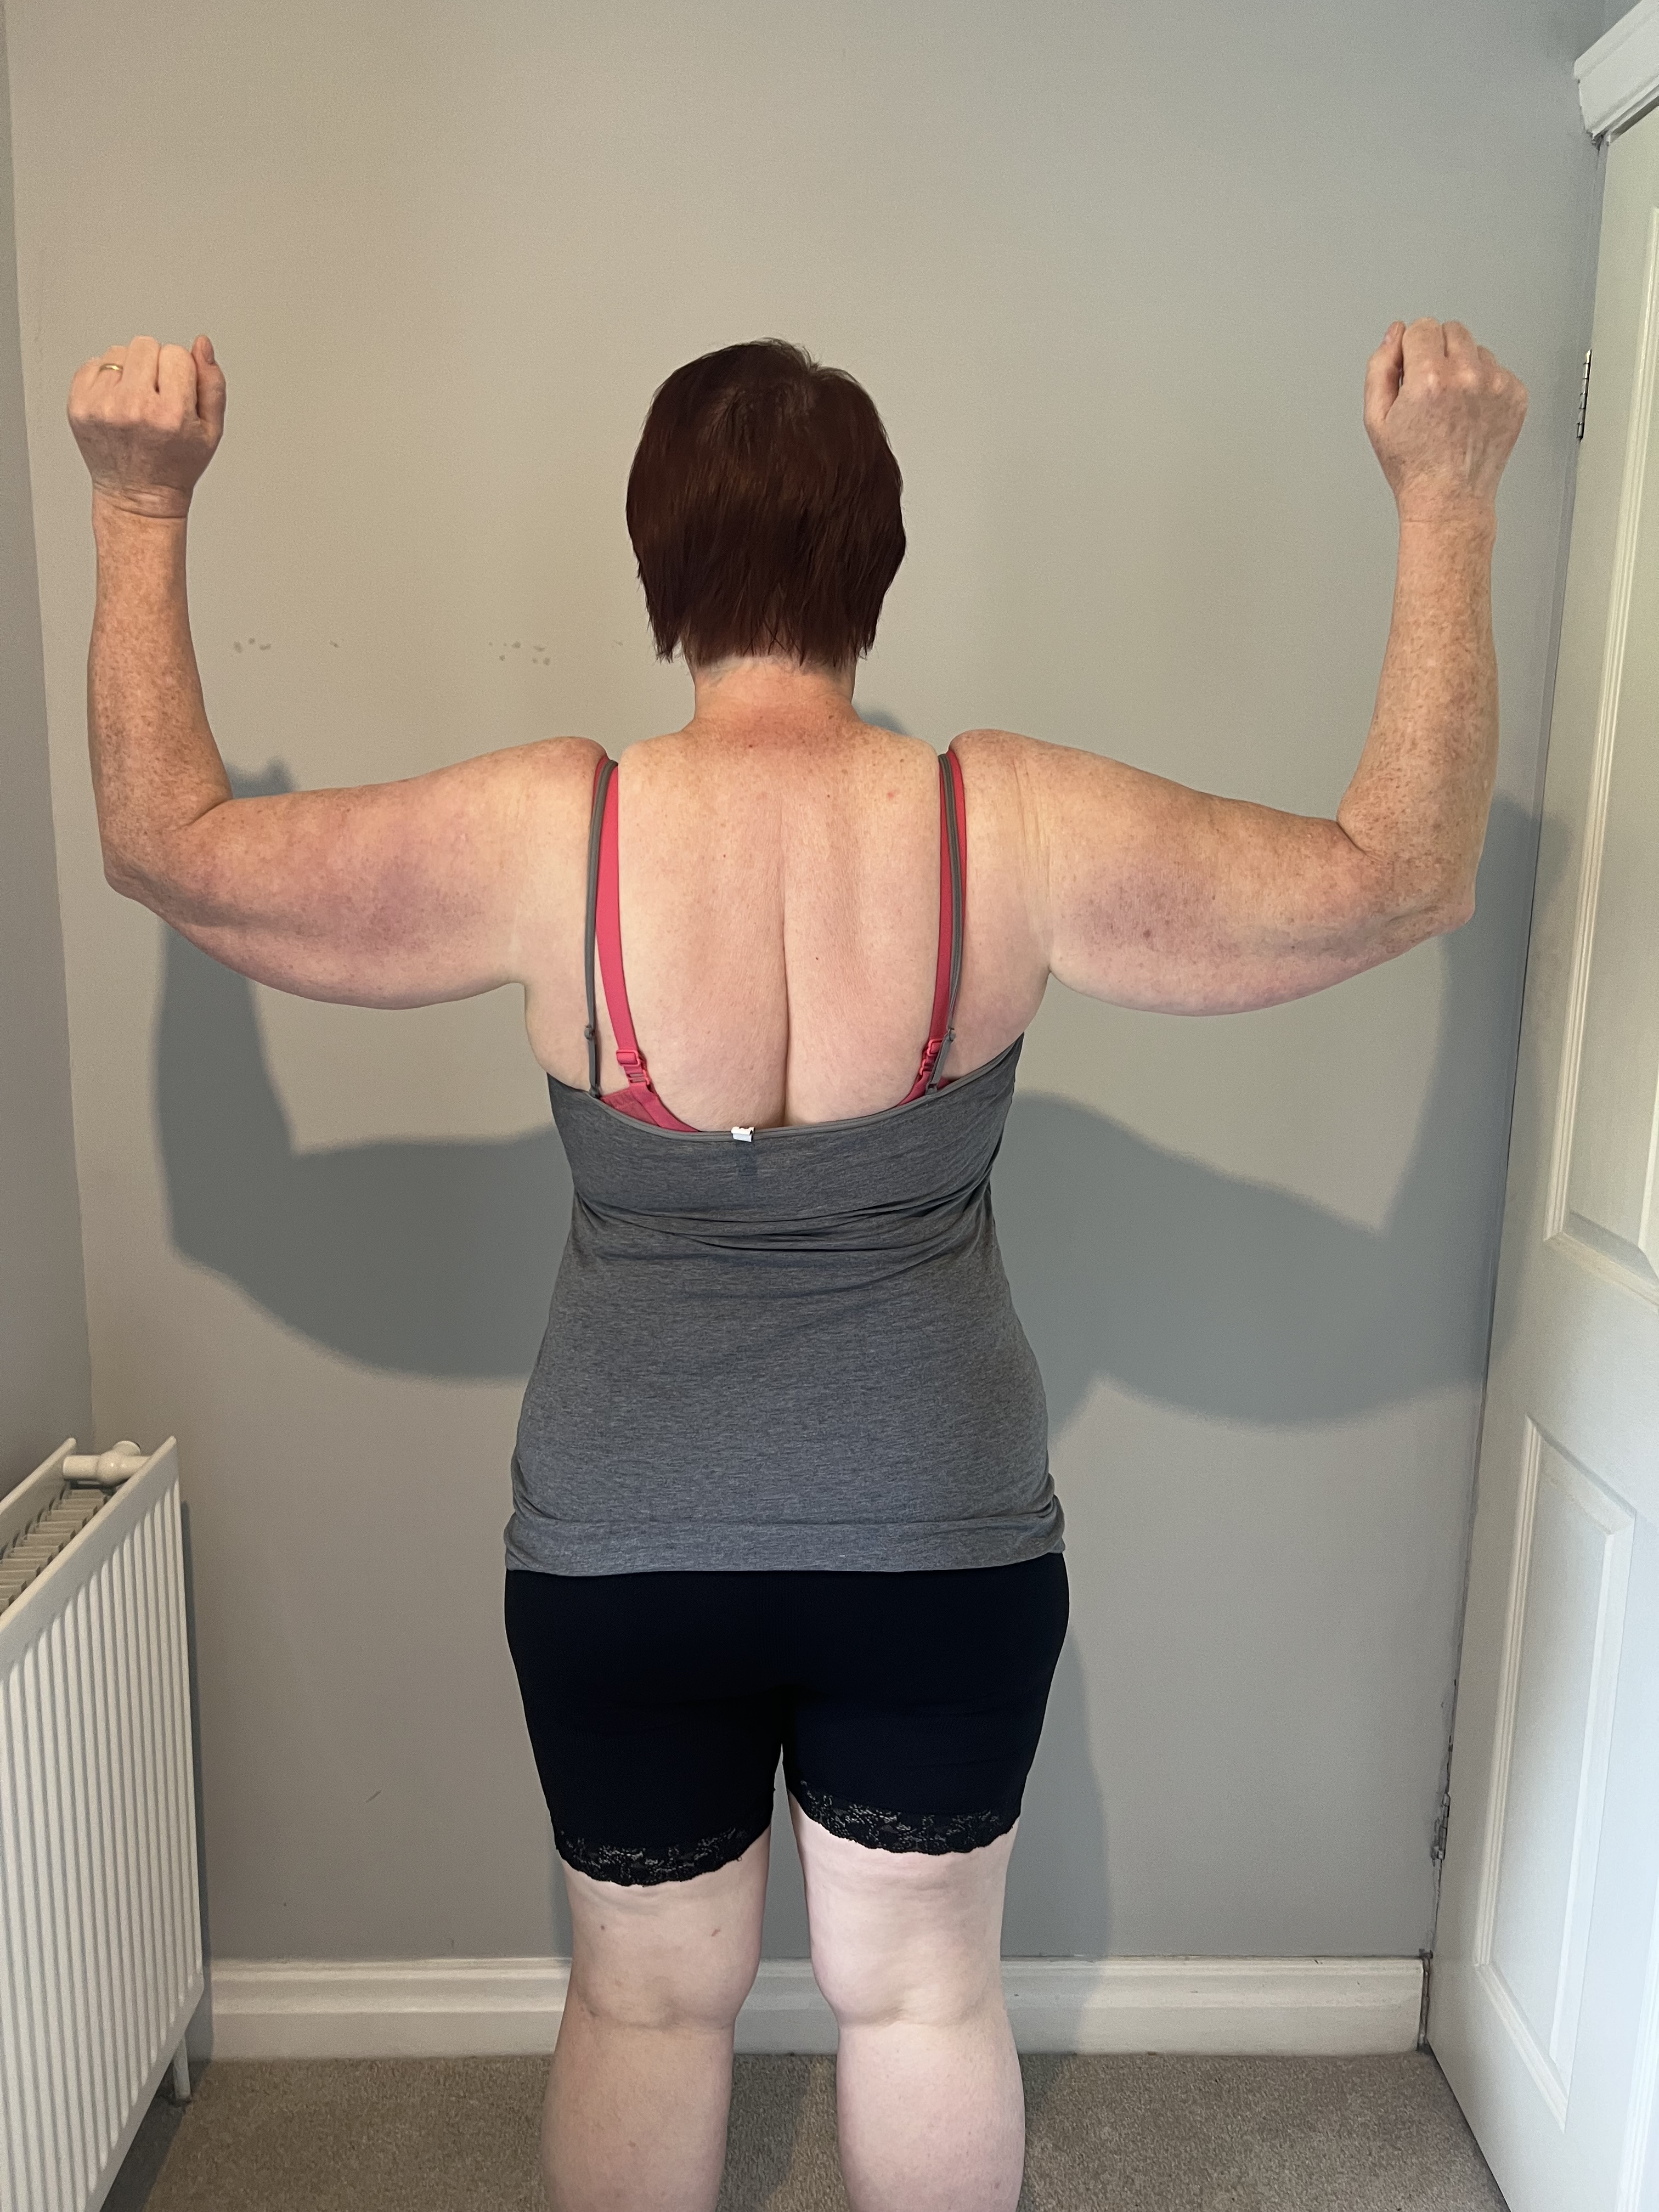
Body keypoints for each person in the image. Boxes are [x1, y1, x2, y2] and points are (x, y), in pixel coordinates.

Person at [67, 321, 1525, 2212]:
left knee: (644, 2002)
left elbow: (166, 845)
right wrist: (1447, 499)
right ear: (878, 564)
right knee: (922, 1999)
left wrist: (140, 506)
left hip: (624, 1548)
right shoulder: (1008, 821)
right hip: (933, 1537)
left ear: (657, 564)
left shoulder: (553, 829)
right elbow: (1401, 873)